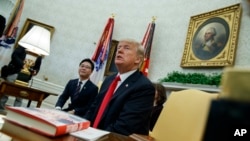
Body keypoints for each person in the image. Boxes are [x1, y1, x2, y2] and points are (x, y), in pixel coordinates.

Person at [84, 38, 155, 136]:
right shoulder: (109, 79)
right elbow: (93, 108)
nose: (120, 50)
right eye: (119, 48)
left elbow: (125, 126)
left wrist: (94, 137)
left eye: (126, 48)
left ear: (138, 59)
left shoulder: (144, 87)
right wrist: (82, 128)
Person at [0, 46, 27, 113]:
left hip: (25, 77)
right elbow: (14, 56)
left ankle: (16, 112)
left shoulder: (39, 54)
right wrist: (23, 64)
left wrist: (35, 71)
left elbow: (37, 66)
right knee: (6, 92)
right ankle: (1, 108)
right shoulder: (22, 48)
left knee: (20, 95)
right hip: (14, 72)